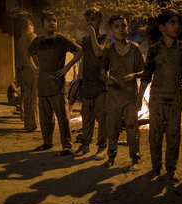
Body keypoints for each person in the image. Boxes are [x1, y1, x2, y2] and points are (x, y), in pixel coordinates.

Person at [138, 9, 182, 182]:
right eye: (172, 23)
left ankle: (171, 169)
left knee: (173, 135)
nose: (176, 26)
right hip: (156, 100)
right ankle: (156, 167)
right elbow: (146, 75)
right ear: (162, 27)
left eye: (178, 23)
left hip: (175, 100)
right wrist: (139, 98)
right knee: (155, 135)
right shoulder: (155, 50)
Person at [27, 11, 82, 155]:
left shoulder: (61, 39)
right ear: (42, 24)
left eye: (54, 20)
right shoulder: (38, 41)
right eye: (49, 20)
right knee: (45, 118)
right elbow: (27, 54)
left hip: (58, 85)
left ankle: (67, 145)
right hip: (43, 85)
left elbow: (79, 50)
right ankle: (47, 142)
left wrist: (67, 67)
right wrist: (34, 68)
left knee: (62, 117)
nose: (52, 23)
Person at [101, 15, 144, 171]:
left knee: (133, 128)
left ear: (127, 28)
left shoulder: (135, 49)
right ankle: (111, 156)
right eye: (116, 26)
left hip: (130, 96)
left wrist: (134, 75)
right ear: (111, 31)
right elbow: (101, 70)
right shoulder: (109, 50)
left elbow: (144, 71)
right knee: (112, 128)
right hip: (113, 97)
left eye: (123, 25)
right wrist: (107, 78)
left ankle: (135, 158)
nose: (120, 29)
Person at [74, 7, 109, 160]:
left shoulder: (103, 37)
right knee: (86, 116)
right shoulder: (85, 40)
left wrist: (93, 34)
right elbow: (84, 58)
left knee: (101, 118)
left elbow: (98, 52)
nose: (89, 22)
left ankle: (102, 146)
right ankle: (85, 144)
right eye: (87, 20)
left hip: (100, 84)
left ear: (100, 21)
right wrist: (78, 77)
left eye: (93, 19)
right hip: (87, 83)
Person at [17, 18, 39, 131]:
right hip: (32, 70)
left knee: (27, 97)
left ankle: (27, 124)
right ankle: (33, 123)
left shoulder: (20, 39)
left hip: (24, 70)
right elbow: (35, 54)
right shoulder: (32, 36)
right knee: (34, 97)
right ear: (30, 25)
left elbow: (19, 57)